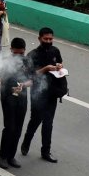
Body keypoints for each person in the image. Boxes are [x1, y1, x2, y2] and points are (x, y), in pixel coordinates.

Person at [20, 28, 63, 163]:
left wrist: (60, 67)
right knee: (35, 120)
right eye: (46, 39)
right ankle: (26, 141)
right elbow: (29, 76)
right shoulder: (32, 55)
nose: (49, 41)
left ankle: (46, 151)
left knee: (48, 123)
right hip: (38, 92)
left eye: (51, 39)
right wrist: (45, 69)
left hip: (52, 92)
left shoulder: (55, 51)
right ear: (39, 39)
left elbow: (59, 64)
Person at [0, 37, 33, 169]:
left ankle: (11, 156)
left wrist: (23, 85)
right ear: (11, 50)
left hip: (22, 97)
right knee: (10, 127)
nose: (18, 56)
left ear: (24, 51)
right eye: (16, 53)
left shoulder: (28, 62)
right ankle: (3, 156)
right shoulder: (5, 62)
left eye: (21, 53)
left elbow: (32, 80)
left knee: (18, 128)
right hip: (8, 97)